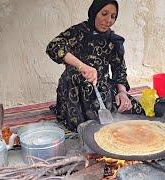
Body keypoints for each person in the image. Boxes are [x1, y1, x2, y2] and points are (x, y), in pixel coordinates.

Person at [46, 0, 145, 131]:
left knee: (133, 110)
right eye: (104, 14)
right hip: (75, 87)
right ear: (94, 12)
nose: (109, 20)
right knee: (89, 126)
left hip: (101, 86)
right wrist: (82, 66)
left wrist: (122, 92)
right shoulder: (78, 32)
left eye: (113, 16)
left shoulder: (113, 40)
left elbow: (119, 69)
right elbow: (53, 47)